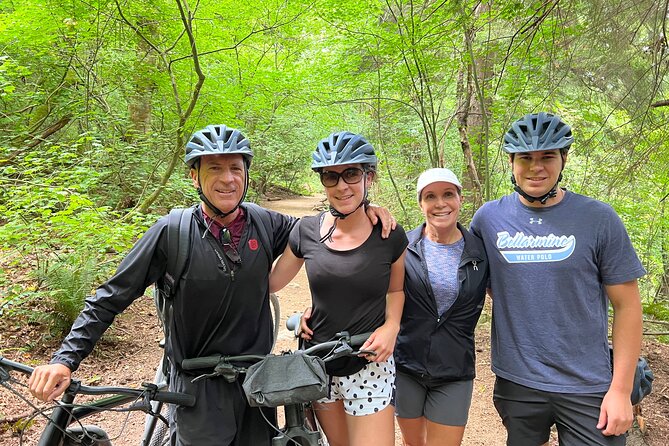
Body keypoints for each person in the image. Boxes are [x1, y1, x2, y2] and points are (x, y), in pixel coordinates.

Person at [27, 124, 395, 446]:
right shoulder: (172, 233)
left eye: (236, 168)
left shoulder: (265, 223)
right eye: (214, 168)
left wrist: (369, 211)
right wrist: (64, 360)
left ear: (247, 175)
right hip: (196, 390)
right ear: (194, 176)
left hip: (256, 386)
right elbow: (110, 297)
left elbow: (326, 232)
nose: (227, 178)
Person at [470, 112, 645, 446]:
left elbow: (627, 306)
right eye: (526, 158)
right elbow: (475, 276)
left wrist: (621, 390)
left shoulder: (598, 218)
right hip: (517, 381)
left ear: (563, 159)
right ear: (511, 162)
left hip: (588, 384)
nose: (536, 167)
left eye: (547, 156)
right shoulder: (489, 219)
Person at [269, 131, 408, 446]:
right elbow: (272, 283)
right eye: (331, 176)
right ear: (322, 181)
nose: (342, 185)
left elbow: (396, 291)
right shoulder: (306, 232)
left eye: (351, 174)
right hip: (321, 363)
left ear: (367, 178)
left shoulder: (389, 235)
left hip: (370, 362)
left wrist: (392, 327)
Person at [394, 168, 489, 446]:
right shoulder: (401, 246)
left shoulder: (482, 252)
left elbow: (511, 295)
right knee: (413, 443)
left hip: (454, 370)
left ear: (460, 199)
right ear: (420, 203)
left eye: (448, 194)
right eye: (430, 196)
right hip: (407, 365)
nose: (440, 203)